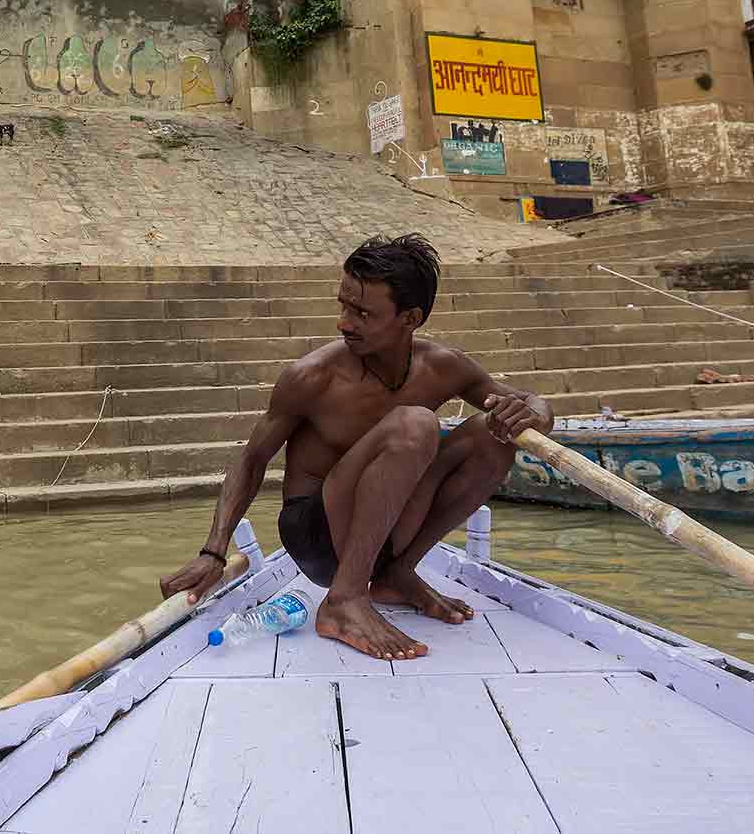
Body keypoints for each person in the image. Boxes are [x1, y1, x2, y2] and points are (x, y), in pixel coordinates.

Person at [159, 234, 552, 661]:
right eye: (344, 306)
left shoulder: (443, 366)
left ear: (410, 318)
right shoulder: (312, 377)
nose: (344, 323)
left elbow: (529, 403)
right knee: (416, 422)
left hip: (387, 528)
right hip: (317, 534)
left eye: (363, 313)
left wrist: (534, 413)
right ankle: (343, 601)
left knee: (490, 436)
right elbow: (252, 459)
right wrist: (213, 551)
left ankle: (396, 575)